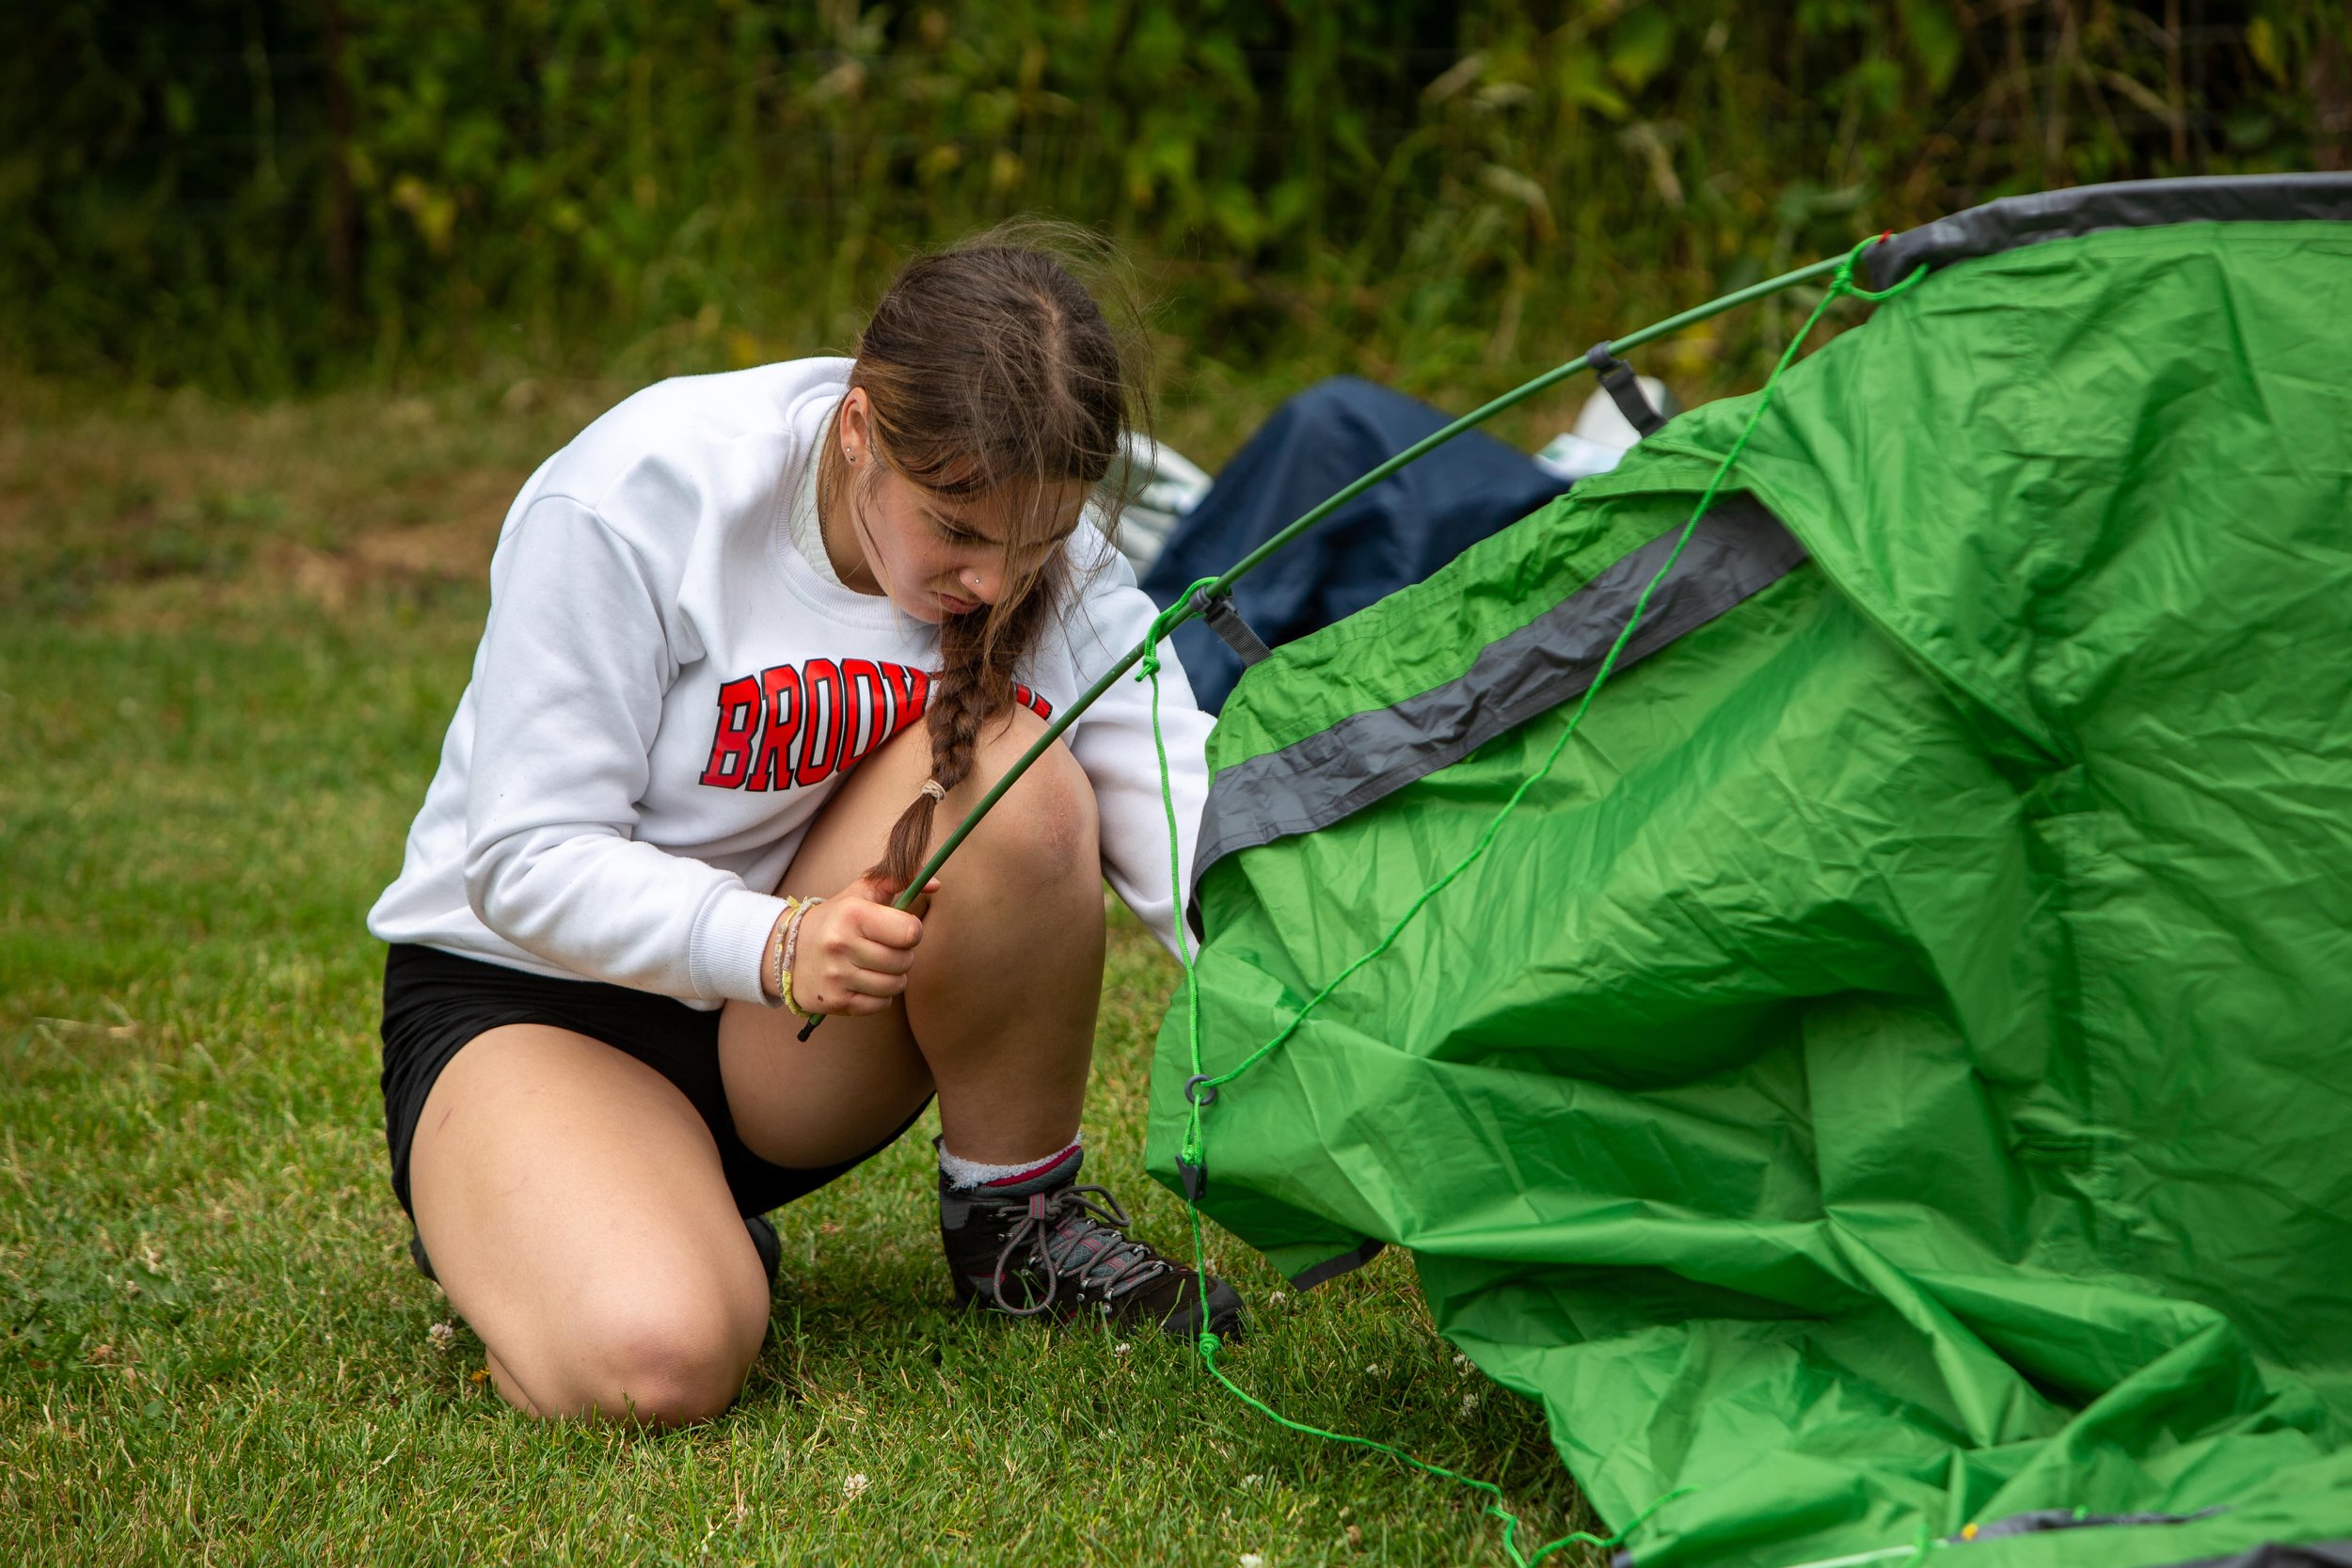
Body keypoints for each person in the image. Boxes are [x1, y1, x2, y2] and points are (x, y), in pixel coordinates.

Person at [366, 229, 1244, 1427]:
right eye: (956, 530)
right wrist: (774, 940)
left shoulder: (1035, 531)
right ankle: (561, 1222)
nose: (995, 581)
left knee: (1023, 779)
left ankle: (1016, 1226)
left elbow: (1167, 779)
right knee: (658, 1360)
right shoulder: (637, 493)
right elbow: (521, 858)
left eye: (1036, 544)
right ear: (855, 429)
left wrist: (1298, 980)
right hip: (533, 1002)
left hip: (774, 1041)